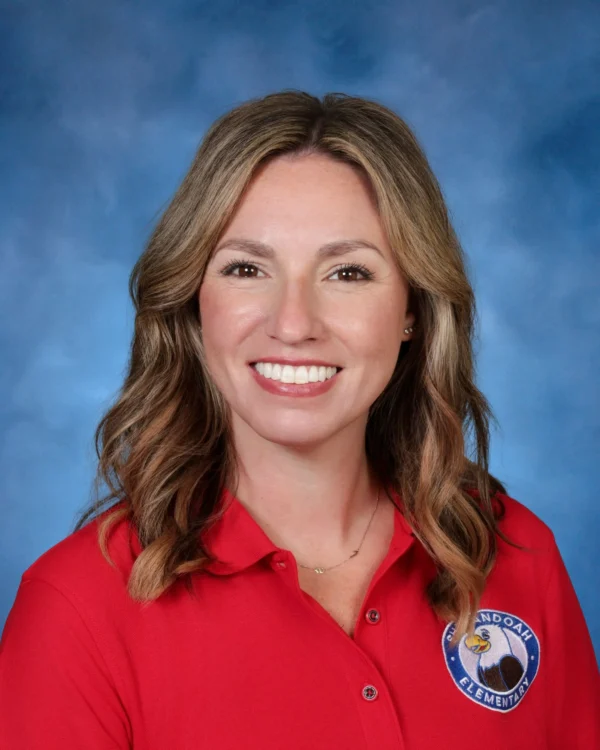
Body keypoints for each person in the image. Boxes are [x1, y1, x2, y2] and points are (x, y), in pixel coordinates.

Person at [0, 90, 598, 749]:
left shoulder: (517, 556)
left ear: (412, 310)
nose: (292, 324)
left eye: (347, 272)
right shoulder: (77, 610)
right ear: (194, 303)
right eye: (246, 268)